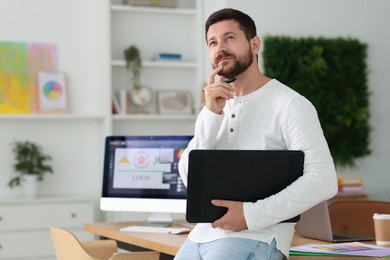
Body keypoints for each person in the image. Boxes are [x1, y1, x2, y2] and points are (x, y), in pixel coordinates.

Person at [175, 8, 338, 260]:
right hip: (201, 235)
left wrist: (250, 215)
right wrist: (210, 115)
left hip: (257, 236)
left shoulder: (291, 105)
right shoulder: (213, 107)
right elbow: (189, 178)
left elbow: (323, 179)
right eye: (213, 42)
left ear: (254, 44)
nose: (221, 48)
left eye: (229, 38)